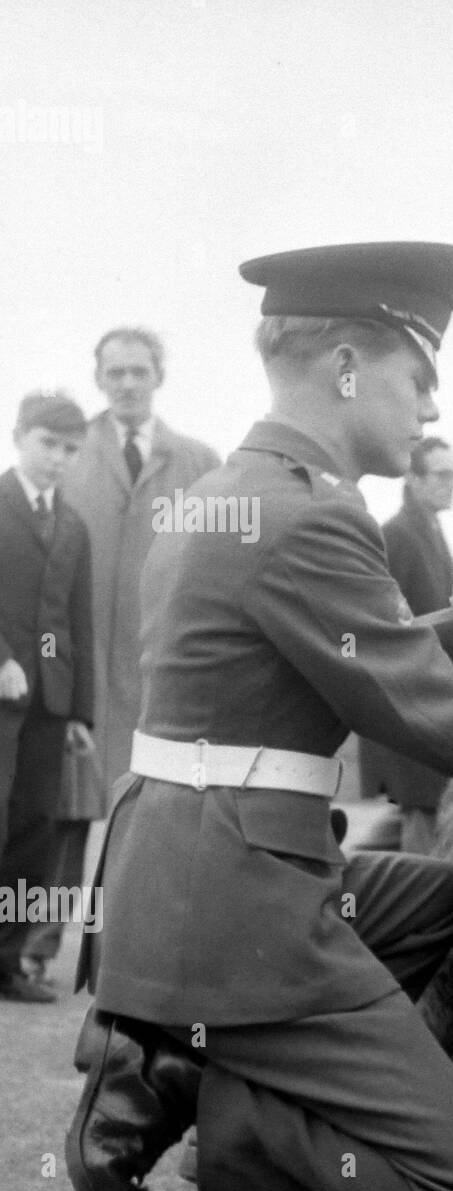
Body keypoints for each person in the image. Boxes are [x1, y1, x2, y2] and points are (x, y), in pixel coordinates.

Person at [66, 241, 453, 1191]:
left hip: (187, 879)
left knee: (447, 898)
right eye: (419, 378)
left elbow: (317, 662)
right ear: (347, 369)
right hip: (242, 919)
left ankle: (174, 1056)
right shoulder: (312, 516)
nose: (427, 411)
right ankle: (204, 1093)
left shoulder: (239, 494)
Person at [49, 327, 221, 938]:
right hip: (76, 664)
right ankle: (32, 947)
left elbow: (217, 560)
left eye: (138, 372)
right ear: (98, 378)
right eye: (114, 372)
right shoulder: (67, 454)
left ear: (158, 377)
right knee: (63, 808)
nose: (126, 383)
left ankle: (132, 946)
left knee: (151, 810)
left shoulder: (198, 462)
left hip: (160, 664)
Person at [0, 392, 95, 1003]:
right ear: (17, 437)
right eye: (48, 444)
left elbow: (78, 621)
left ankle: (6, 959)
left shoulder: (74, 524)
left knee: (35, 829)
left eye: (69, 449)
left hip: (48, 705)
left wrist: (79, 711)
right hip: (1, 693)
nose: (58, 458)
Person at [356, 436, 453, 853]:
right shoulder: (396, 536)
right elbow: (383, 629)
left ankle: (351, 886)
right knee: (423, 821)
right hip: (406, 707)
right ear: (413, 480)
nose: (452, 483)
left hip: (428, 702)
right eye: (442, 474)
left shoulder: (429, 530)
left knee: (417, 819)